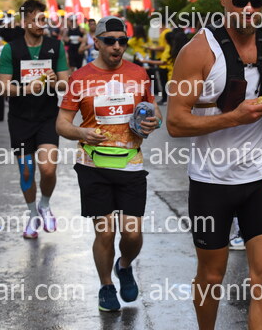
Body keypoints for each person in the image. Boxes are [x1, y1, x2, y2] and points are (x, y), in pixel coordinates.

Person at [167, 0, 262, 330]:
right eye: (240, 1)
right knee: (211, 277)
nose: (249, 10)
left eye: (257, 2)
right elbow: (175, 123)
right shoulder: (198, 52)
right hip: (212, 182)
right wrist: (233, 118)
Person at [56, 16, 161, 312]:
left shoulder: (139, 74)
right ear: (97, 42)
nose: (117, 46)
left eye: (122, 41)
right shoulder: (80, 78)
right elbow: (62, 124)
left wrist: (153, 122)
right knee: (105, 232)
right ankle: (106, 285)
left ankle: (124, 265)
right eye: (110, 40)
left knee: (132, 233)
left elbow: (154, 112)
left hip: (131, 164)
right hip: (93, 165)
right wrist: (82, 133)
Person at [0, 0, 69, 239]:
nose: (41, 23)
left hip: (47, 116)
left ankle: (45, 205)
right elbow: (3, 87)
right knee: (27, 172)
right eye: (36, 19)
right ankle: (32, 214)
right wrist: (26, 89)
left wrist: (54, 82)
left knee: (48, 169)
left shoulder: (55, 46)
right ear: (24, 21)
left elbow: (66, 83)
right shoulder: (11, 49)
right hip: (20, 119)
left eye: (43, 19)